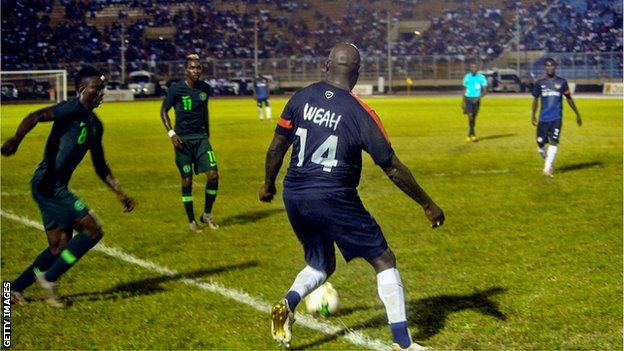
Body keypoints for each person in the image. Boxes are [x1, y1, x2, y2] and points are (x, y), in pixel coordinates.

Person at [259, 43, 445, 350]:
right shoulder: (361, 113)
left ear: (326, 64)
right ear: (357, 73)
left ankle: (287, 303)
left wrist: (268, 185)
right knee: (384, 259)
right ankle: (404, 344)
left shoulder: (300, 97)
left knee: (321, 263)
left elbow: (277, 147)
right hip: (333, 196)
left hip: (295, 194)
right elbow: (393, 167)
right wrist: (427, 203)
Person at [1, 66, 136, 308]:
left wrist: (120, 193)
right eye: (97, 88)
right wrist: (16, 139)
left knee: (58, 247)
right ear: (82, 89)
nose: (101, 93)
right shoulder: (73, 108)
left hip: (52, 187)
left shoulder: (96, 124)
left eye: (103, 88)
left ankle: (13, 289)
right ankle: (50, 279)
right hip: (48, 185)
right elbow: (36, 116)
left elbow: (100, 164)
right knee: (93, 230)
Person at [160, 54, 219, 231]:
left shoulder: (205, 89)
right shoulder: (176, 89)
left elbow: (204, 112)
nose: (196, 71)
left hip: (201, 139)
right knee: (187, 180)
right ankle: (192, 221)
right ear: (186, 70)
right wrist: (171, 133)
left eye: (198, 68)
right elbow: (163, 111)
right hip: (182, 141)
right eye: (192, 68)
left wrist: (207, 134)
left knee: (214, 175)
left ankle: (207, 215)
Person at [531, 58, 582, 177]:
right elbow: (535, 99)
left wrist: (577, 114)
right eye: (547, 65)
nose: (550, 67)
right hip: (543, 119)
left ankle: (547, 169)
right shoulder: (539, 83)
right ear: (545, 67)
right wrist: (533, 115)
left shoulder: (562, 82)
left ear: (555, 67)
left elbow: (569, 99)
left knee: (553, 142)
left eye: (552, 65)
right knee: (540, 145)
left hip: (556, 118)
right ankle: (547, 161)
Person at [462, 63, 488, 142]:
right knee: (470, 116)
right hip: (468, 98)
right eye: (472, 67)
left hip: (476, 100)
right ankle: (472, 134)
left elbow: (485, 91)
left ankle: (470, 134)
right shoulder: (467, 77)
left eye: (475, 67)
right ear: (470, 68)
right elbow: (464, 89)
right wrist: (463, 101)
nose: (473, 69)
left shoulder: (481, 77)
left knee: (474, 117)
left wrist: (478, 98)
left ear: (477, 69)